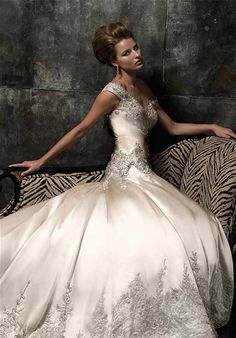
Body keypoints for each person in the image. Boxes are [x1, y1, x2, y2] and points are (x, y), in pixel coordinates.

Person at [0, 22, 235, 338]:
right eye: (127, 52)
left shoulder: (144, 88)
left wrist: (211, 127)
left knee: (198, 226)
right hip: (123, 177)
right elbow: (80, 130)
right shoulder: (112, 93)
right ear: (114, 61)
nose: (137, 54)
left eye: (136, 47)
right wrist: (41, 161)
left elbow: (173, 127)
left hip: (146, 177)